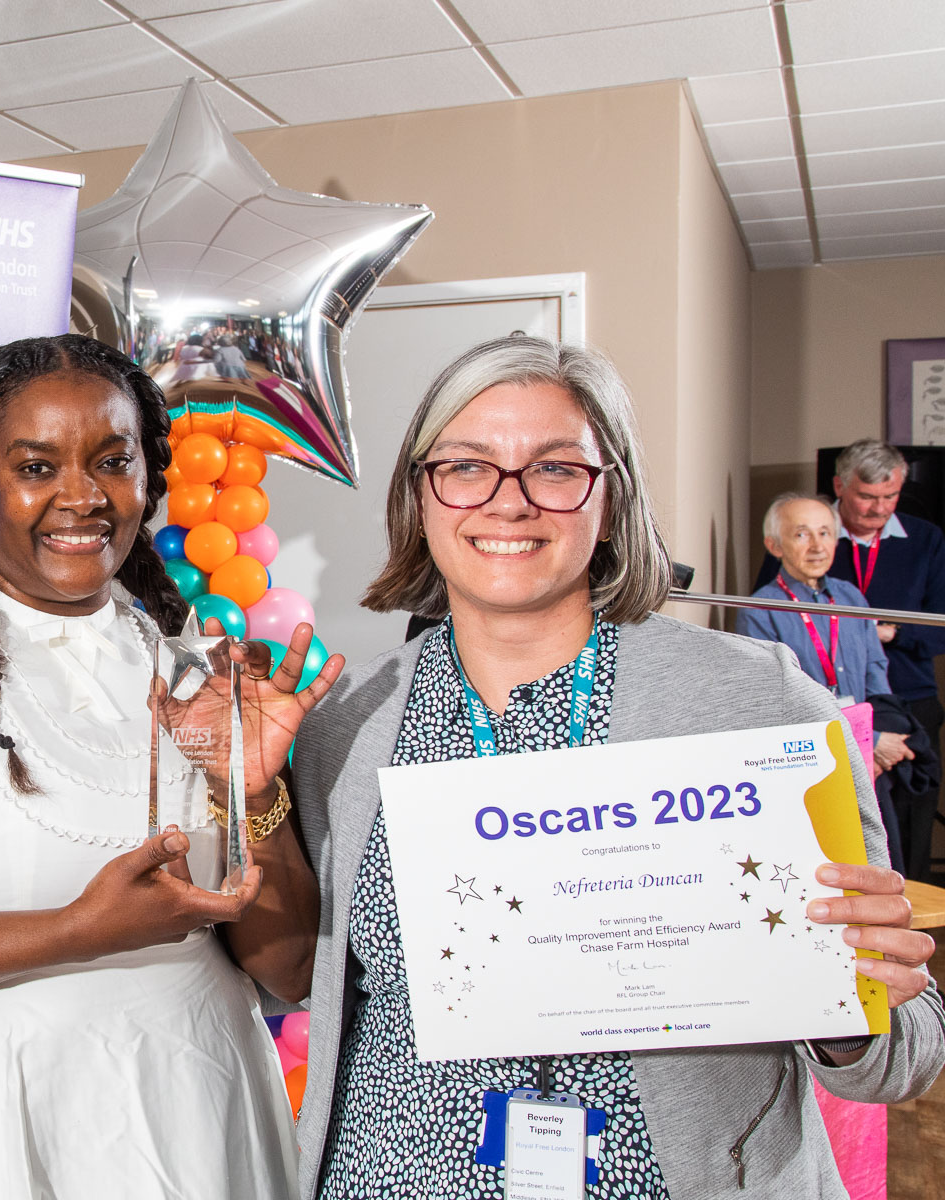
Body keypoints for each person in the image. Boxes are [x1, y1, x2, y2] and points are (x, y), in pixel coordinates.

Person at [239, 336, 944, 1199]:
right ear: (419, 495)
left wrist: (850, 1006)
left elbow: (901, 1055)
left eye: (556, 469)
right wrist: (255, 795)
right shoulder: (345, 723)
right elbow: (292, 977)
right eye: (466, 465)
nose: (508, 502)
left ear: (611, 496)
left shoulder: (758, 706)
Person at [0, 333, 334, 1199]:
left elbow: (290, 968)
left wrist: (250, 791)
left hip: (196, 1112)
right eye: (36, 467)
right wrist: (80, 928)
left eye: (112, 461)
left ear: (149, 476)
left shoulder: (195, 666)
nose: (81, 496)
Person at [753, 439, 945, 880]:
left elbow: (881, 671)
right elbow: (779, 688)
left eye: (889, 497)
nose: (818, 545)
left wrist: (883, 736)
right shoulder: (767, 602)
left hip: (886, 722)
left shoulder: (854, 595)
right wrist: (868, 740)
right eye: (803, 534)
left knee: (891, 848)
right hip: (820, 740)